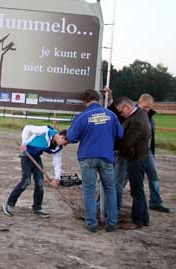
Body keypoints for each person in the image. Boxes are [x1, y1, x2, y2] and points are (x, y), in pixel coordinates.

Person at [67, 89, 124, 233]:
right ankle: (112, 222)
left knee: (89, 190)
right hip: (106, 156)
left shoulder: (81, 117)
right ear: (98, 99)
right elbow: (120, 133)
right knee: (110, 189)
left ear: (85, 101)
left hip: (87, 157)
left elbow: (72, 137)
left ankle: (91, 223)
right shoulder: (110, 115)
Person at [2, 125, 68, 218]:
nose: (64, 145)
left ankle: (37, 208)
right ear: (62, 137)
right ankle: (9, 204)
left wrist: (57, 178)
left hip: (36, 158)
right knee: (26, 181)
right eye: (65, 143)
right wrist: (24, 143)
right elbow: (27, 128)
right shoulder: (45, 130)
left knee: (40, 182)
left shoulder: (57, 147)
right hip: (26, 155)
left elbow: (57, 162)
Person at [115, 97, 151, 229]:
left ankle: (136, 221)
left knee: (136, 190)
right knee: (138, 189)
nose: (121, 114)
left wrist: (114, 144)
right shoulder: (140, 113)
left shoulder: (137, 121)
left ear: (127, 107)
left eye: (121, 111)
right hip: (140, 156)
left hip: (136, 159)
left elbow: (126, 142)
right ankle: (144, 218)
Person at [137, 94, 170, 213]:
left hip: (148, 151)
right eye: (145, 107)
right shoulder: (132, 115)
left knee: (153, 176)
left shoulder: (150, 116)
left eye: (149, 107)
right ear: (139, 103)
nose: (147, 109)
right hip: (134, 153)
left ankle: (155, 202)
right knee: (124, 177)